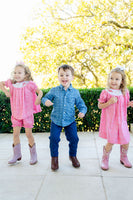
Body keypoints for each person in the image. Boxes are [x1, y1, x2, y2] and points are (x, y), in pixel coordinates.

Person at [37, 64, 87, 170]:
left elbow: (81, 104)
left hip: (70, 121)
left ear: (72, 77)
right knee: (54, 139)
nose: (64, 77)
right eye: (61, 75)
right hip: (56, 120)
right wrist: (46, 101)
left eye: (67, 75)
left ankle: (72, 156)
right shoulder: (54, 90)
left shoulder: (75, 92)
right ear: (58, 77)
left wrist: (82, 111)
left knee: (74, 138)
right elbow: (45, 98)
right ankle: (54, 159)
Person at [0, 63, 43, 165]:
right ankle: (16, 155)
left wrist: (38, 98)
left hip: (27, 114)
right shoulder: (11, 83)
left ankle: (33, 155)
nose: (16, 74)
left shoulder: (30, 84)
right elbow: (1, 83)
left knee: (28, 134)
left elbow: (40, 92)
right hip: (16, 113)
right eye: (15, 72)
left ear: (26, 74)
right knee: (15, 134)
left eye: (19, 73)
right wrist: (6, 92)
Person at [98, 66, 133, 170]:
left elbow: (124, 105)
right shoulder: (106, 92)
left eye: (117, 79)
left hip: (121, 121)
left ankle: (124, 157)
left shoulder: (125, 92)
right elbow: (100, 106)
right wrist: (109, 102)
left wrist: (130, 104)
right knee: (111, 141)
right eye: (111, 78)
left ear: (122, 81)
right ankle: (105, 158)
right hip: (111, 122)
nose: (113, 81)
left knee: (126, 141)